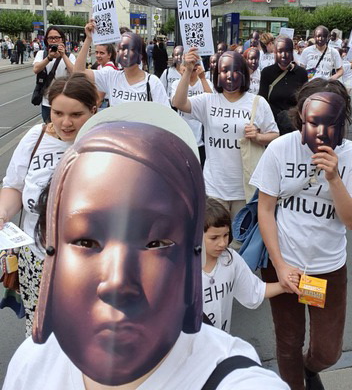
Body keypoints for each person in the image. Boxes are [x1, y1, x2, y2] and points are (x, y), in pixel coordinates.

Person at [3, 119, 289, 390]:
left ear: (192, 257)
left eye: (155, 244)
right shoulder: (33, 363)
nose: (116, 281)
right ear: (51, 255)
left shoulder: (235, 380)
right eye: (86, 242)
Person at [250, 79, 352, 390]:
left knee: (327, 351)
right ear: (300, 118)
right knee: (289, 341)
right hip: (286, 267)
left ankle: (309, 368)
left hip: (327, 270)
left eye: (329, 122)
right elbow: (265, 210)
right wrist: (279, 265)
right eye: (312, 122)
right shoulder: (281, 148)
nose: (320, 131)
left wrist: (333, 177)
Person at [0, 73, 98, 336]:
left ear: (94, 109)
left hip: (87, 265)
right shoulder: (35, 138)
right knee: (39, 334)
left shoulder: (103, 143)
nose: (65, 122)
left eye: (76, 115)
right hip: (37, 259)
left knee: (80, 336)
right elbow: (14, 187)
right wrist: (3, 212)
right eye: (57, 112)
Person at [173, 48, 279, 218]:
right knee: (214, 240)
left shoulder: (258, 103)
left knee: (239, 243)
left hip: (244, 189)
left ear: (244, 74)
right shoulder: (208, 100)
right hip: (214, 188)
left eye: (236, 70)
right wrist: (187, 71)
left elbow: (274, 135)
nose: (230, 75)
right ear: (217, 74)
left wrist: (258, 137)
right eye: (224, 70)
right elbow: (178, 102)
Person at [203, 197, 297, 333]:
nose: (223, 243)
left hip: (219, 345)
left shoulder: (230, 259)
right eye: (214, 238)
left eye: (226, 235)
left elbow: (254, 291)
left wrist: (285, 285)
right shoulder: (178, 270)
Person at [74, 21, 170, 107]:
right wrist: (88, 39)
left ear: (140, 55)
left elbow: (166, 117)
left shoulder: (153, 83)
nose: (124, 53)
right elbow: (78, 72)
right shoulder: (111, 76)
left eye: (130, 48)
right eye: (121, 48)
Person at [259, 36, 308, 134]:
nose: (284, 55)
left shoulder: (301, 73)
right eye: (280, 51)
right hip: (272, 127)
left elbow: (304, 101)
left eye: (288, 51)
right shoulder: (267, 73)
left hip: (294, 127)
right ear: (275, 52)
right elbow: (262, 101)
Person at [171, 58, 213, 165]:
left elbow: (212, 102)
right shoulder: (177, 84)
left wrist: (203, 79)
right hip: (183, 138)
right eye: (190, 64)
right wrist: (184, 76)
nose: (194, 67)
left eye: (197, 64)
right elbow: (175, 103)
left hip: (202, 140)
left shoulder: (206, 82)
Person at [33, 26, 76, 123]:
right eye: (51, 38)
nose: (54, 40)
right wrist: (49, 57)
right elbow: (36, 69)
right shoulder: (41, 54)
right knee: (49, 129)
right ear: (46, 40)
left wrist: (63, 55)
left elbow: (75, 73)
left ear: (62, 39)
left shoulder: (70, 56)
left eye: (57, 38)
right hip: (47, 101)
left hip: (65, 100)